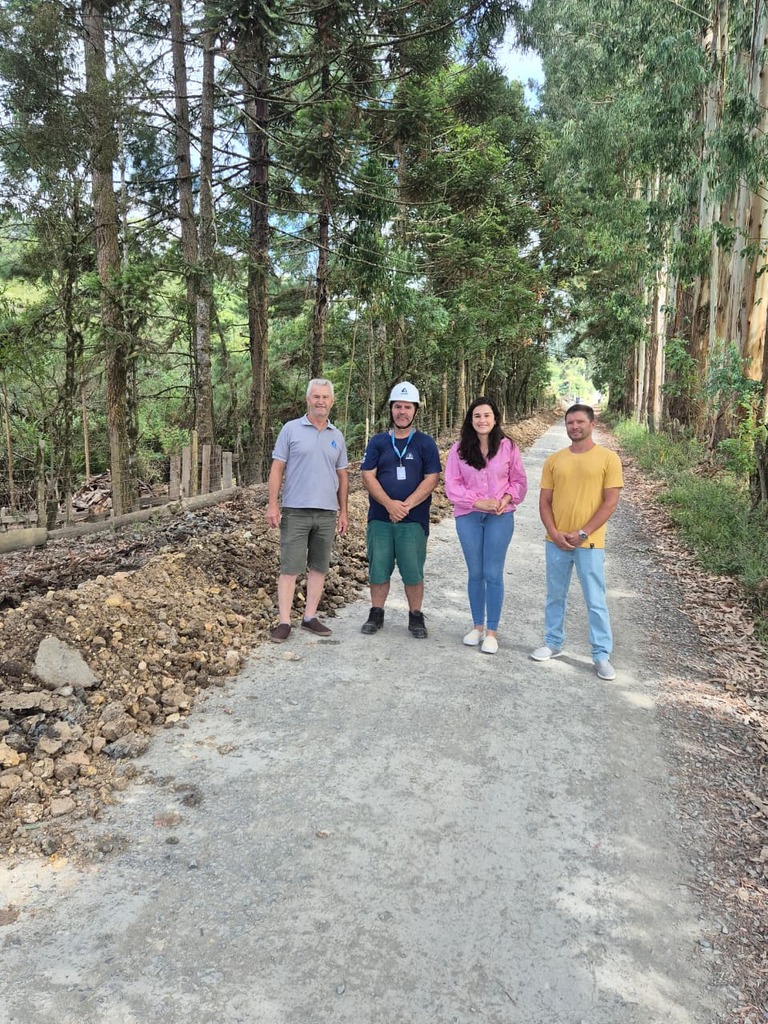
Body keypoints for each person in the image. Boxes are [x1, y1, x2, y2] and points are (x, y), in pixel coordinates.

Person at [530, 403, 624, 680]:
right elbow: (544, 501)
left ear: (592, 424)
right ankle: (552, 643)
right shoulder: (555, 460)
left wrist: (583, 532)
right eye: (570, 422)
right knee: (554, 595)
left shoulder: (608, 459)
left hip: (590, 543)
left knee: (595, 600)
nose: (574, 427)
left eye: (580, 422)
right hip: (555, 541)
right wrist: (554, 532)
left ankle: (601, 655)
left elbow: (611, 502)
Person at [265, 378, 349, 643]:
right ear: (307, 400)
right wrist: (273, 503)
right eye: (316, 396)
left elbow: (343, 476)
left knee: (319, 566)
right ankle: (284, 621)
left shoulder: (337, 436)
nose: (321, 401)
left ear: (332, 401)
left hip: (327, 512)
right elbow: (277, 469)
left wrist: (343, 511)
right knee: (290, 567)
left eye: (325, 397)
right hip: (296, 510)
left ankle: (310, 617)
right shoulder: (290, 430)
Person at [444, 397, 528, 654]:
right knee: (475, 572)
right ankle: (477, 626)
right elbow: (452, 486)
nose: (482, 420)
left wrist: (504, 499)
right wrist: (478, 503)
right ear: (471, 420)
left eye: (487, 415)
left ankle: (492, 631)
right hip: (468, 516)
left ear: (495, 419)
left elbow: (519, 481)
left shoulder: (508, 447)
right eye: (477, 416)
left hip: (500, 517)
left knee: (493, 573)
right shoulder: (458, 450)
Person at [359, 382, 441, 639]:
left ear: (415, 410)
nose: (402, 412)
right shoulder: (379, 441)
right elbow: (367, 475)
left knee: (413, 570)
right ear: (391, 410)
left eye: (407, 407)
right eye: (397, 407)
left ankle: (415, 616)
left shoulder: (425, 443)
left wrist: (406, 506)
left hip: (413, 520)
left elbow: (432, 478)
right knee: (378, 568)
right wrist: (389, 504)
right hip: (380, 519)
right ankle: (376, 612)